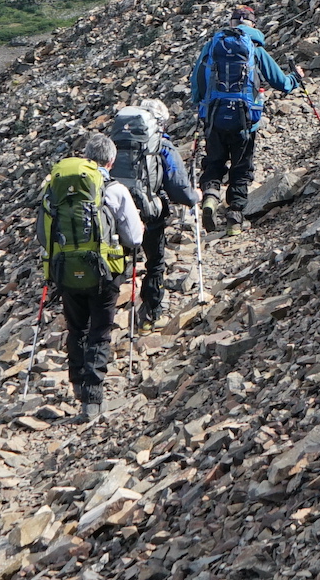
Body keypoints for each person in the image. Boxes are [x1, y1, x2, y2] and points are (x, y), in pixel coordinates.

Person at [35, 132, 142, 421]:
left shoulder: (55, 189)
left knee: (76, 329)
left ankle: (79, 386)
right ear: (111, 159)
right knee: (100, 332)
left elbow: (43, 237)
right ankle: (93, 400)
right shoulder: (115, 189)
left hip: (66, 271)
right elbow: (134, 237)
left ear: (85, 157)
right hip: (104, 273)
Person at [189, 4, 303, 226]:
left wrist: (201, 105)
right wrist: (295, 78)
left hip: (214, 117)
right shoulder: (255, 48)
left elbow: (197, 81)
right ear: (253, 24)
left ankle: (210, 199)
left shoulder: (213, 45)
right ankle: (235, 216)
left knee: (214, 162)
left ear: (232, 22)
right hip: (245, 121)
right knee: (241, 168)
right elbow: (281, 83)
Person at [108, 100, 196, 328]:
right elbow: (178, 187)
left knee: (116, 263)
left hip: (115, 216)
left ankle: (103, 313)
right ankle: (149, 315)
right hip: (150, 215)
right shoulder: (162, 147)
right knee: (155, 263)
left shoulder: (115, 144)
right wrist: (194, 197)